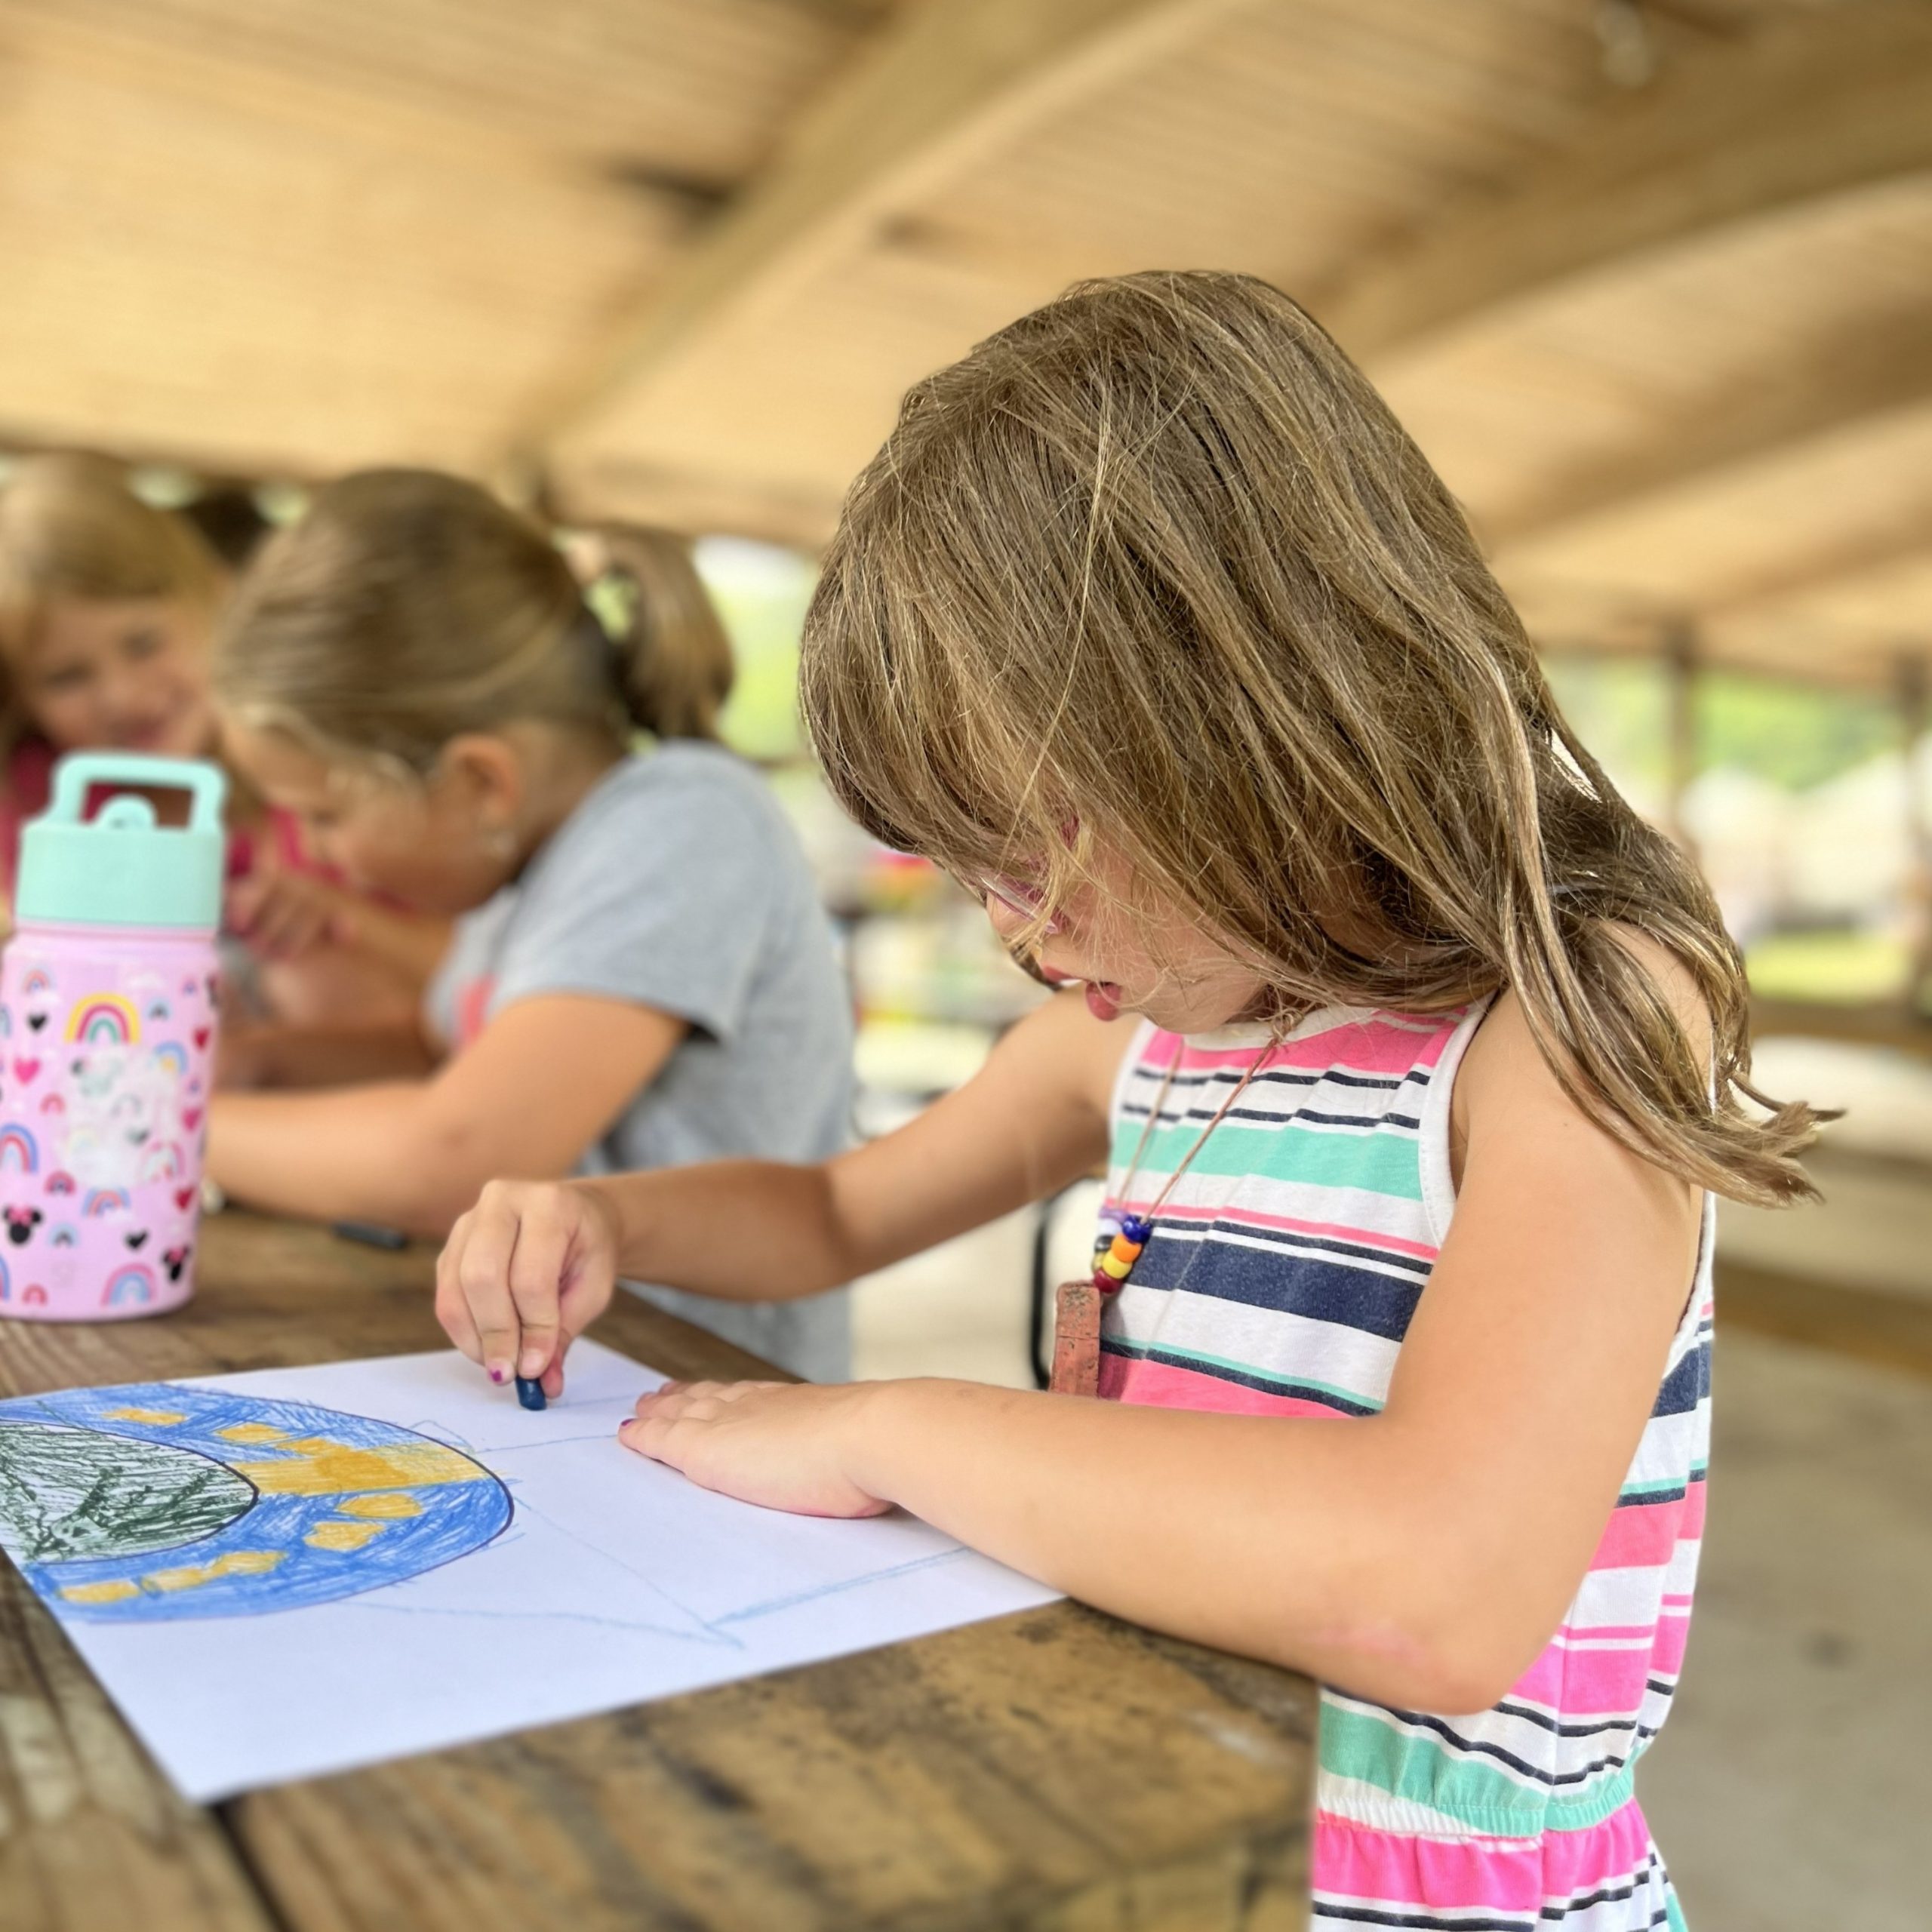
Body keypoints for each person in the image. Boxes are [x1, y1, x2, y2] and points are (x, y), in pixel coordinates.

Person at [435, 274, 1822, 1928]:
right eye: (970, 875)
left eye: (1038, 850)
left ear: (1256, 721)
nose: (1016, 929)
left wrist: (887, 1426)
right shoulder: (1153, 1031)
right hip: (1163, 1836)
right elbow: (830, 1212)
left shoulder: (1572, 1017)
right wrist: (596, 1214)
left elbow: (1439, 1586)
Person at [208, 469, 855, 1380]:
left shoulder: (683, 822)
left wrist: (165, 1125)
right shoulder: (521, 866)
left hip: (708, 1388)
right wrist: (262, 1063)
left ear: (479, 782)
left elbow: (459, 1150)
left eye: (321, 815)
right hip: (581, 1379)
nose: (313, 853)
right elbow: (449, 1044)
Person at [0, 451, 443, 1020]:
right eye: (67, 677)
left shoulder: (315, 772)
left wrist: (337, 913)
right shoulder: (41, 802)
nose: (124, 697)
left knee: (312, 980)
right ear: (22, 697)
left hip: (333, 1054)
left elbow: (465, 973)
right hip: (134, 1066)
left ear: (218, 598)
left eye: (143, 644)